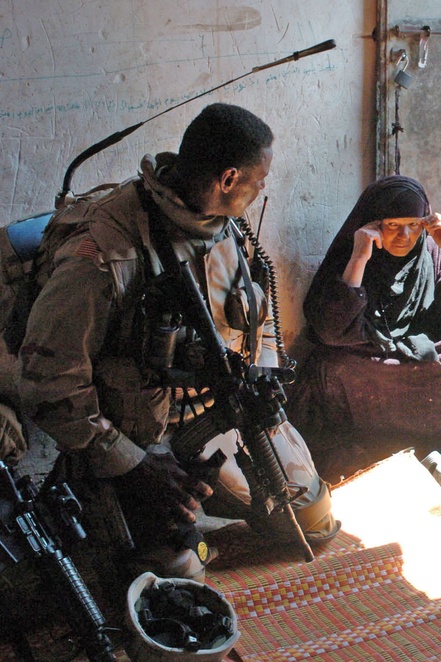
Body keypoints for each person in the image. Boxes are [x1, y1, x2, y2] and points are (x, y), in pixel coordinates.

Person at [17, 103, 338, 585]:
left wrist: (263, 380)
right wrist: (134, 465)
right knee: (178, 572)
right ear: (229, 178)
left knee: (310, 519)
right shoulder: (107, 252)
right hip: (135, 436)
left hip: (214, 418)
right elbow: (49, 383)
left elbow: (258, 310)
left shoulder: (224, 224)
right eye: (259, 177)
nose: (263, 187)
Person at [286, 175, 441, 474]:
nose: (404, 235)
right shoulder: (353, 252)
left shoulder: (432, 252)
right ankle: (366, 449)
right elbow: (331, 332)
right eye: (392, 225)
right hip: (372, 361)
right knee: (329, 362)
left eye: (413, 225)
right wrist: (360, 259)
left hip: (422, 358)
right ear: (374, 224)